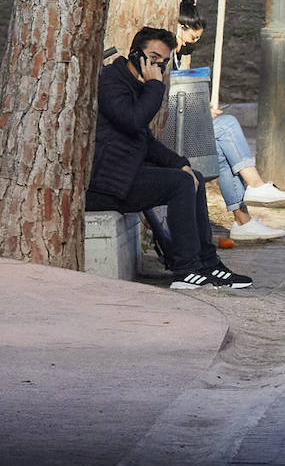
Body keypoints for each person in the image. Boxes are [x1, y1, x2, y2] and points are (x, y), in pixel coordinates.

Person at [86, 27, 253, 291]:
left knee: (191, 176)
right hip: (106, 184)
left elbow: (145, 140)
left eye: (163, 62)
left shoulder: (134, 83)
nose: (158, 66)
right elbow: (133, 121)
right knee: (179, 184)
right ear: (135, 53)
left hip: (125, 175)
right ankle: (185, 270)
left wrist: (180, 164)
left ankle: (208, 264)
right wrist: (155, 86)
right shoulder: (111, 82)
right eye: (153, 58)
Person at [173, 0, 285, 241]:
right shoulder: (166, 57)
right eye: (192, 37)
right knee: (227, 125)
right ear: (180, 28)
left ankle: (243, 221)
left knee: (222, 152)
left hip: (183, 127)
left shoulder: (177, 57)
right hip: (172, 133)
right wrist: (200, 112)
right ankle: (255, 185)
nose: (193, 43)